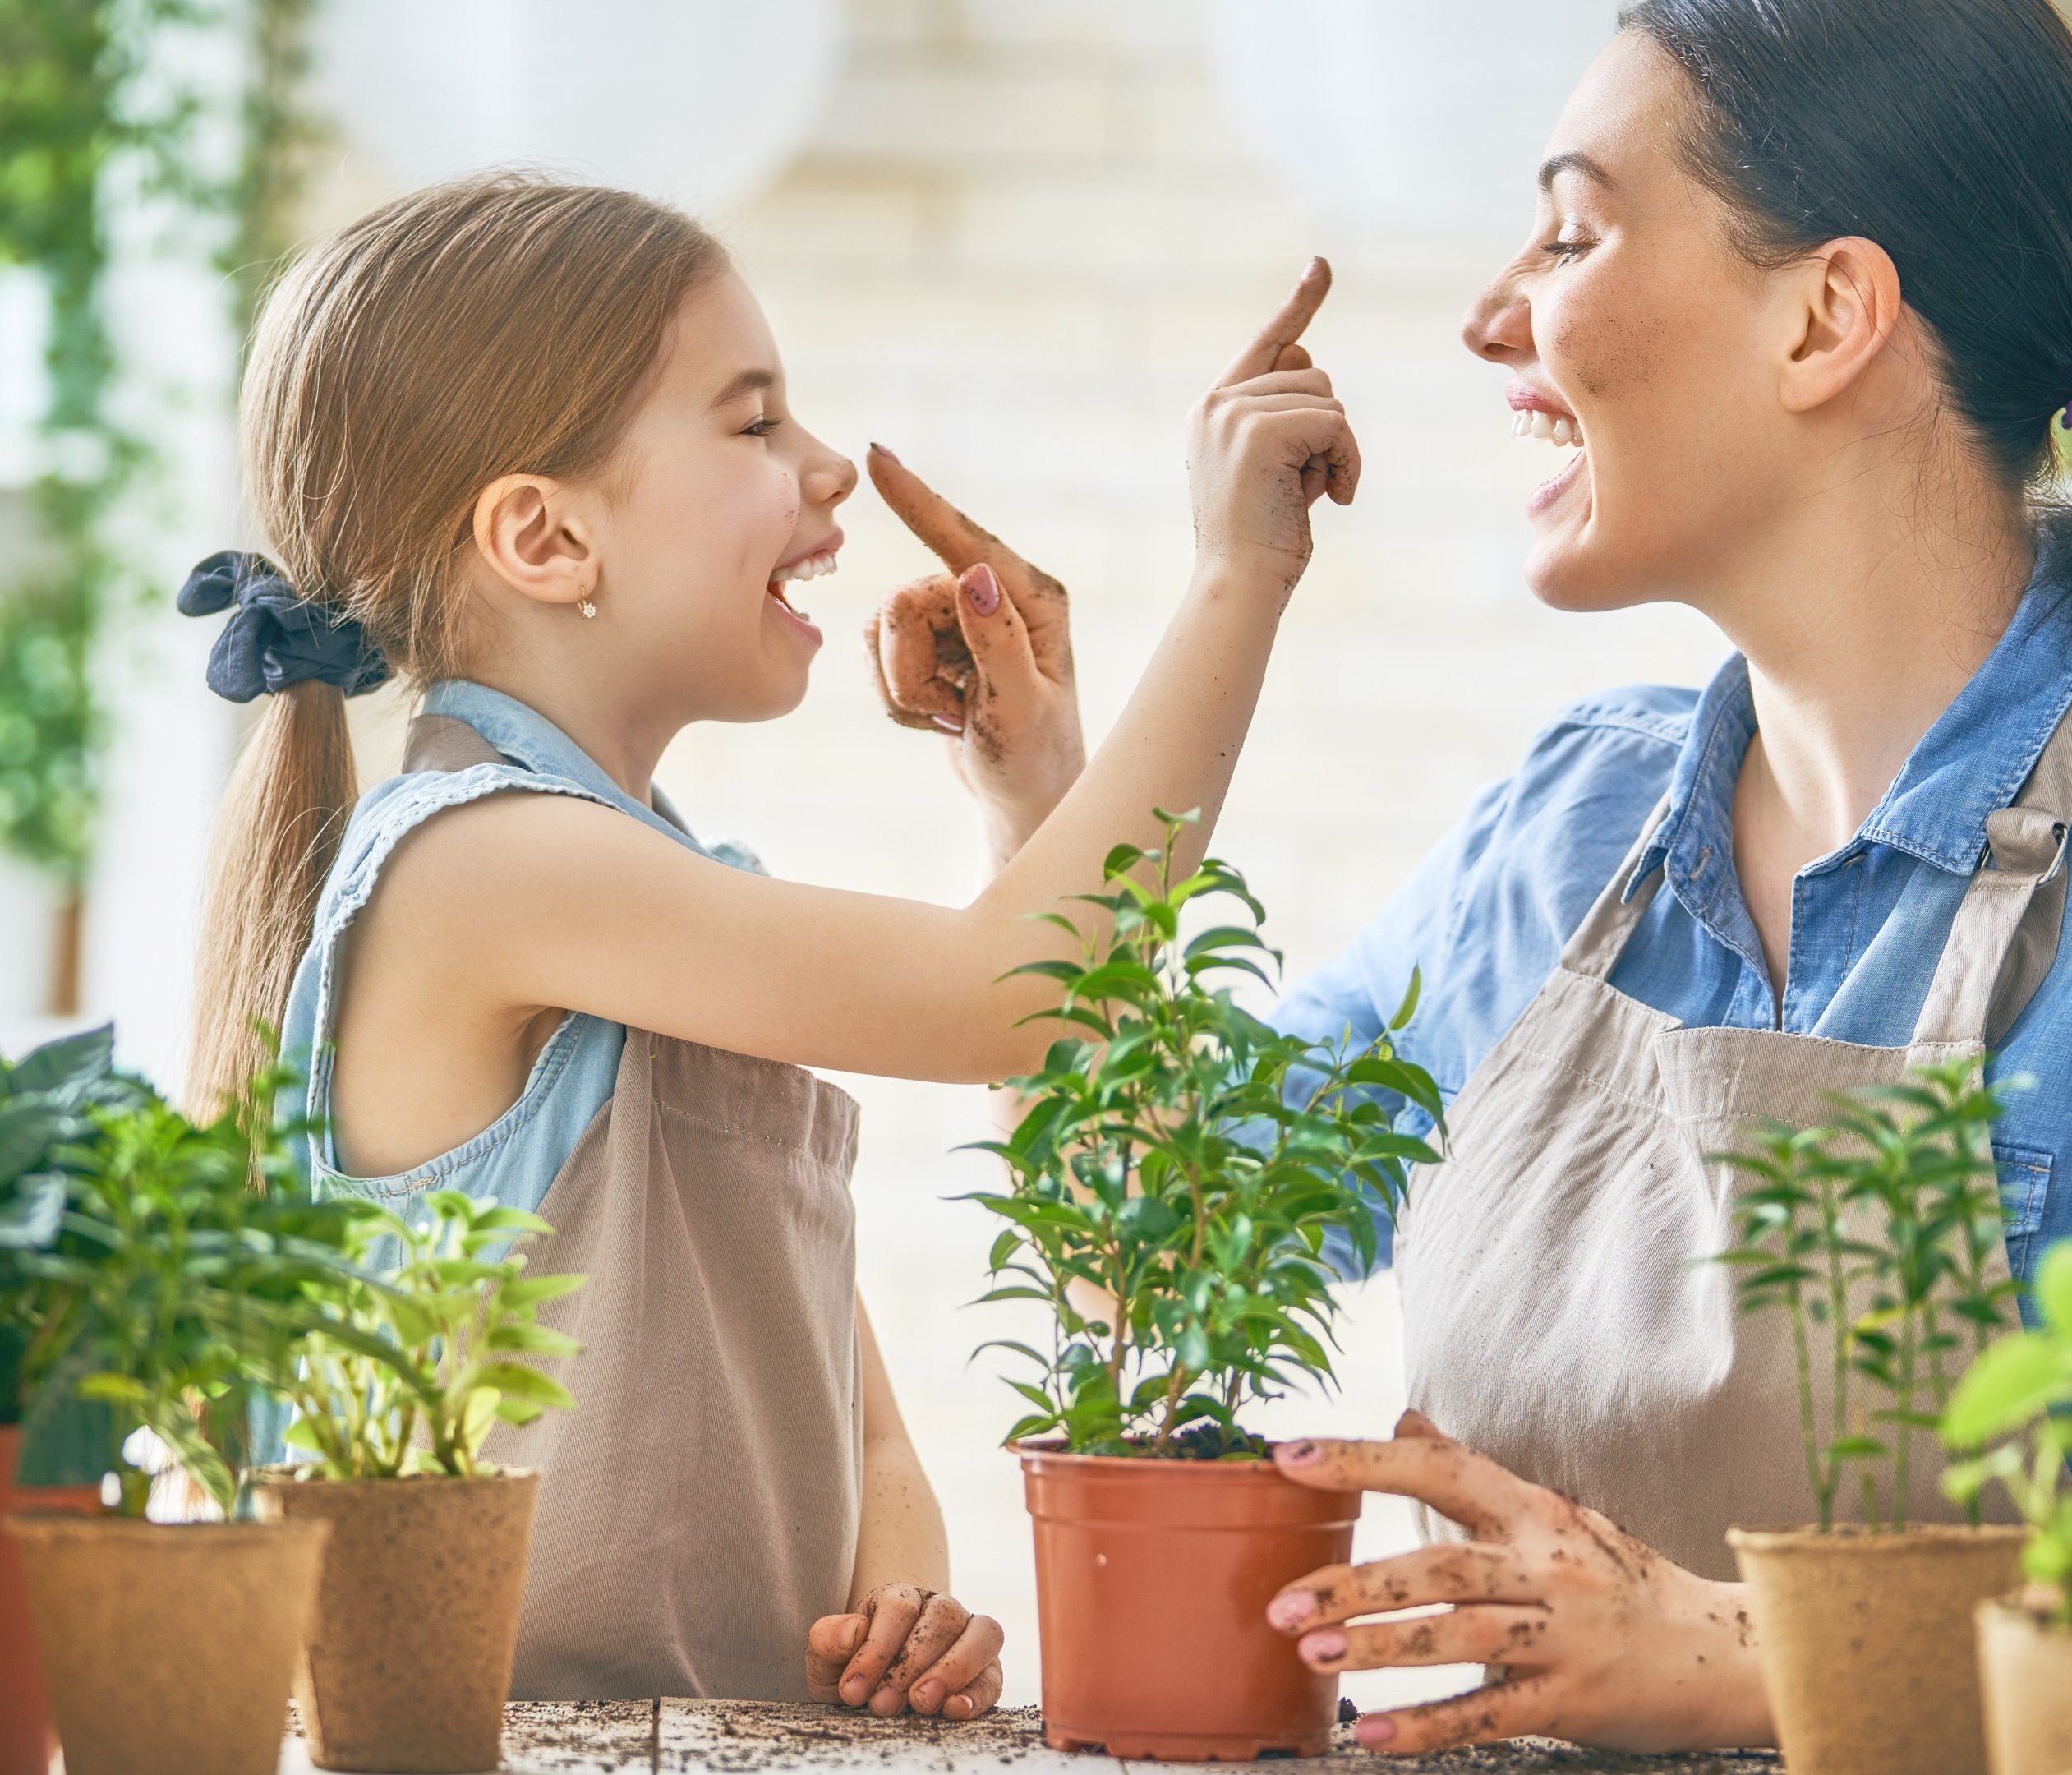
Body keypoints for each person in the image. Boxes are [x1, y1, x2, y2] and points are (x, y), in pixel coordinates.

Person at [867, 0, 2072, 1752]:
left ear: (1827, 316)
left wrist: (1748, 1654)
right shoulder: (1571, 831)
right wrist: (1040, 794)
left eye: (1575, 231)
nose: (1490, 315)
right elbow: (1168, 1230)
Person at [183, 173, 1358, 1713]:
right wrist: (1238, 574)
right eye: (753, 425)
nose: (826, 473)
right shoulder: (478, 863)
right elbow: (1011, 998)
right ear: (544, 536)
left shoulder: (660, 898)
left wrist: (905, 1601)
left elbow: (859, 1439)